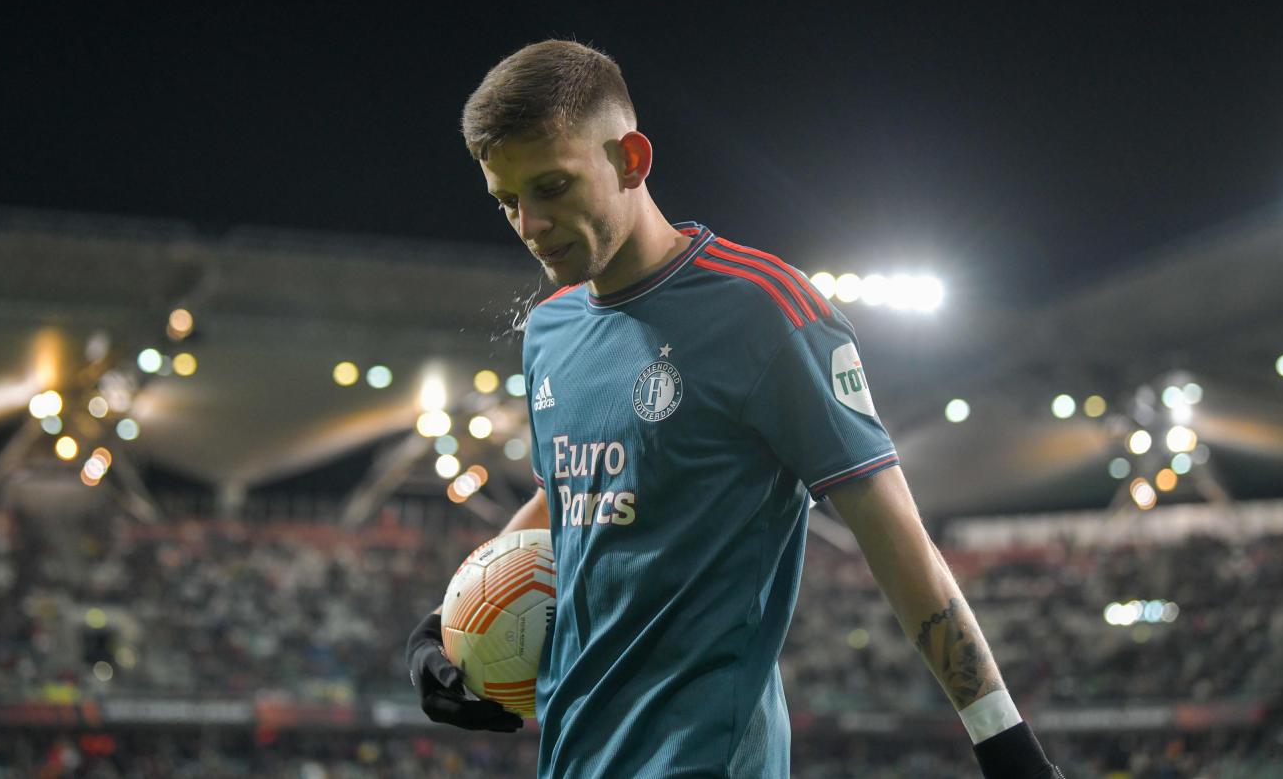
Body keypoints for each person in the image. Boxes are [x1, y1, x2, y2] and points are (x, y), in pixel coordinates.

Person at [407, 40, 1063, 778]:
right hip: (573, 755)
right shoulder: (553, 330)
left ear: (631, 159)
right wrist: (446, 623)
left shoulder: (764, 309)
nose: (530, 224)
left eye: (553, 187)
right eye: (508, 201)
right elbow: (564, 495)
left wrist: (1004, 742)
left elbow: (895, 536)